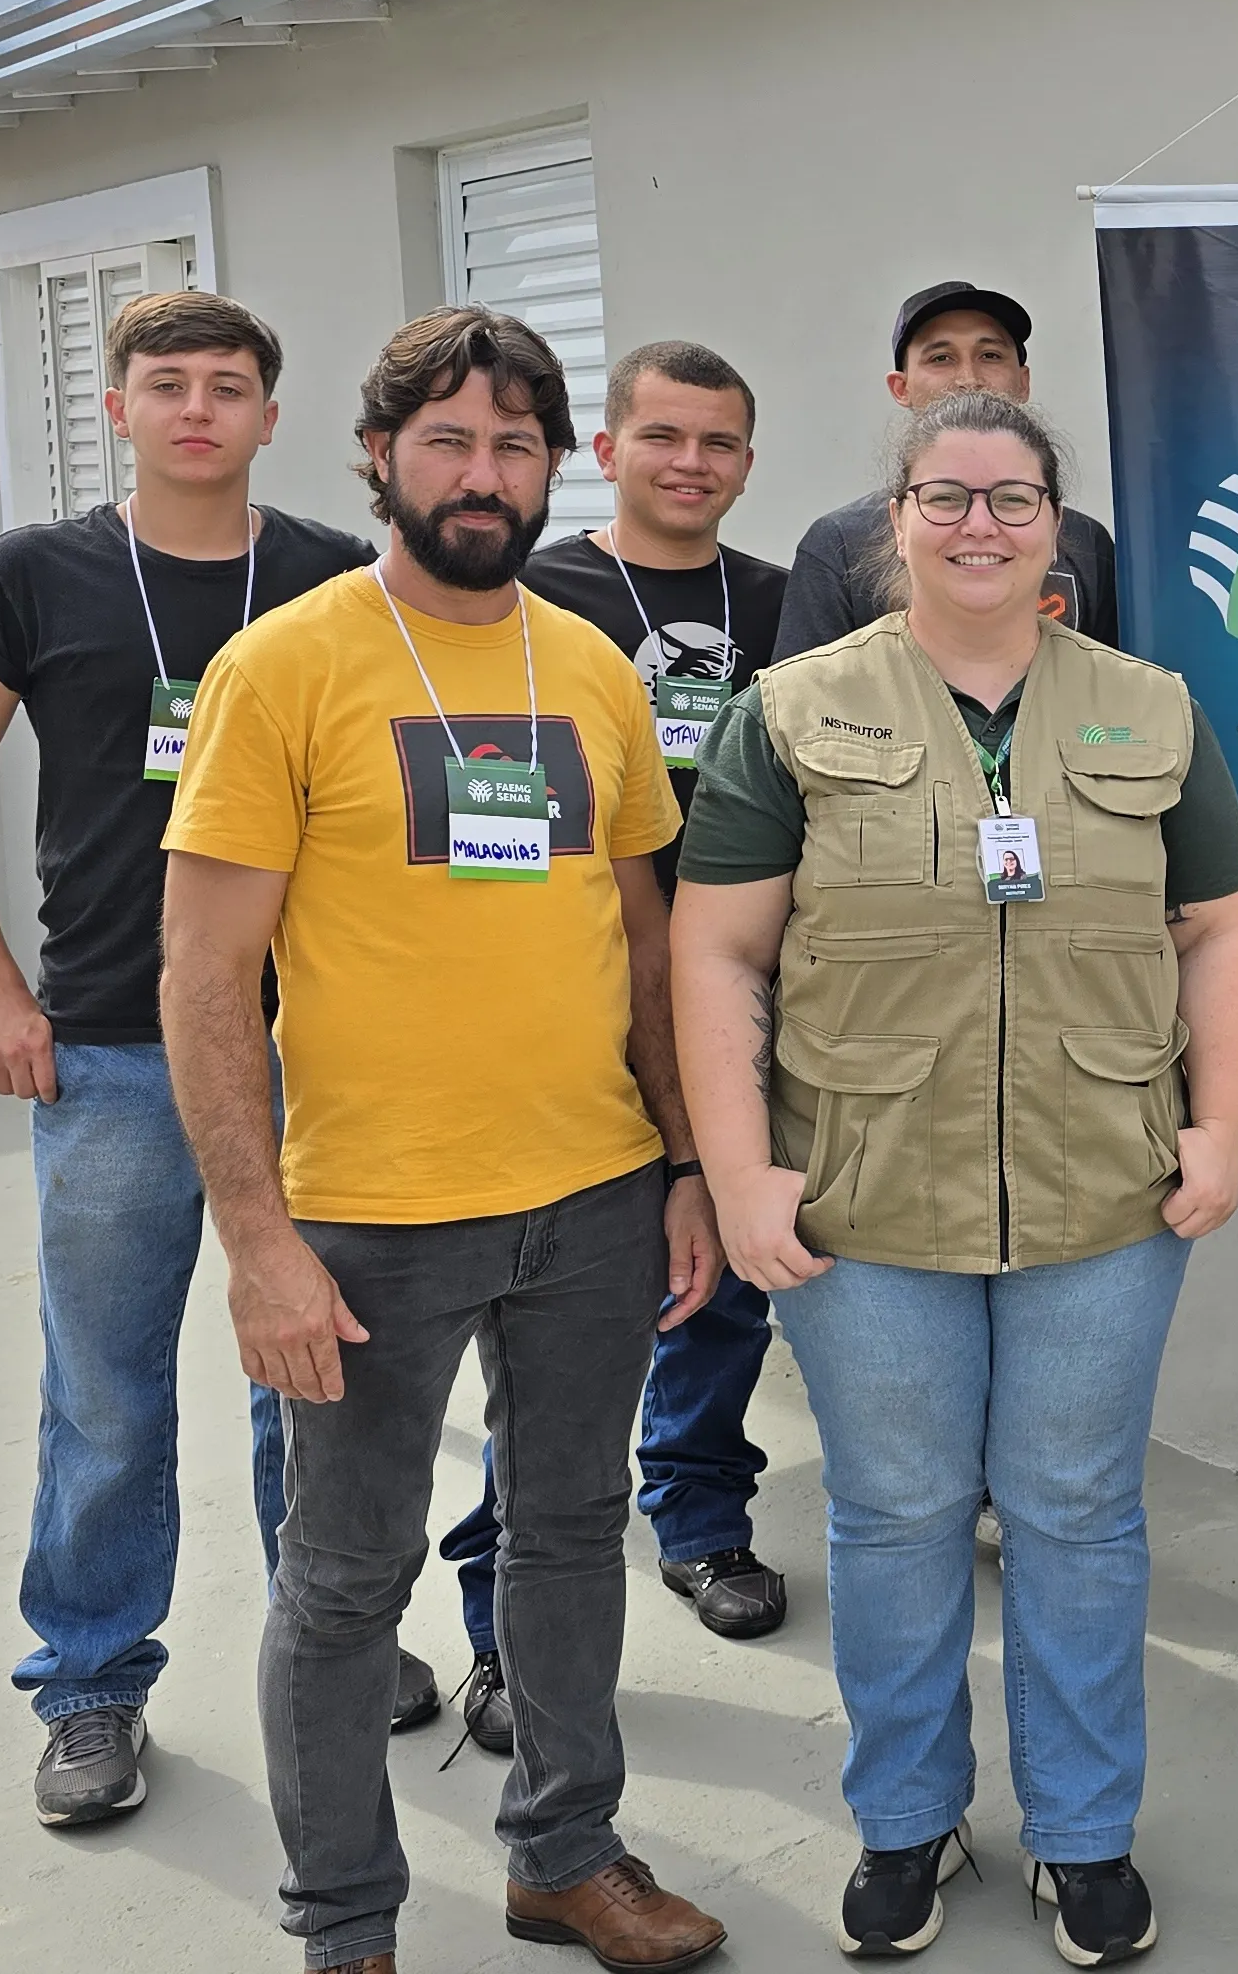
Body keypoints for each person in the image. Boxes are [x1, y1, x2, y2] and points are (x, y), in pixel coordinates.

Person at [160, 308, 730, 1974]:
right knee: (343, 1580)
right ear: (379, 456)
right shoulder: (286, 664)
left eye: (515, 445)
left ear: (559, 467)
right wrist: (257, 1240)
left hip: (594, 1199)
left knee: (568, 1535)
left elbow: (640, 938)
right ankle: (344, 1926)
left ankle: (564, 1855)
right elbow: (204, 971)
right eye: (449, 442)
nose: (483, 476)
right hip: (366, 1221)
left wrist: (684, 1160)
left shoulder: (593, 666)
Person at [670, 390, 1238, 1965]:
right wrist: (739, 1173)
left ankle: (1084, 1835)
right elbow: (718, 951)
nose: (981, 526)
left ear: (1057, 525)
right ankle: (906, 1819)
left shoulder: (1150, 707)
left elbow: (1219, 926)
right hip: (865, 1194)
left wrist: (1223, 1125)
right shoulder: (792, 711)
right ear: (896, 518)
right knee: (894, 1515)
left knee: (1077, 1515)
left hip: (1106, 1190)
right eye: (949, 497)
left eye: (1013, 500)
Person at [0, 291, 406, 1828]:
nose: (198, 408)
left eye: (229, 386)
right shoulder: (36, 575)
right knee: (109, 1392)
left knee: (310, 1375)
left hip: (306, 1053)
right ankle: (93, 1685)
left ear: (268, 414)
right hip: (113, 1049)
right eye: (167, 385)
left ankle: (335, 1643)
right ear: (117, 409)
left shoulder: (329, 576)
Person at [439, 339, 795, 1756]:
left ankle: (701, 1520)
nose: (689, 463)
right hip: (563, 999)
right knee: (533, 1339)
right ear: (608, 446)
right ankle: (495, 1625)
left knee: (726, 1283)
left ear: (746, 463)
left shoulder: (779, 603)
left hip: (740, 992)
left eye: (717, 442)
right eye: (662, 436)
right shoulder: (530, 592)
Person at [775, 282, 1118, 655]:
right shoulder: (837, 543)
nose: (969, 378)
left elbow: (1109, 692)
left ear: (1023, 382)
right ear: (900, 387)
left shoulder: (1088, 543)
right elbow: (804, 702)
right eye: (941, 358)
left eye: (989, 355)